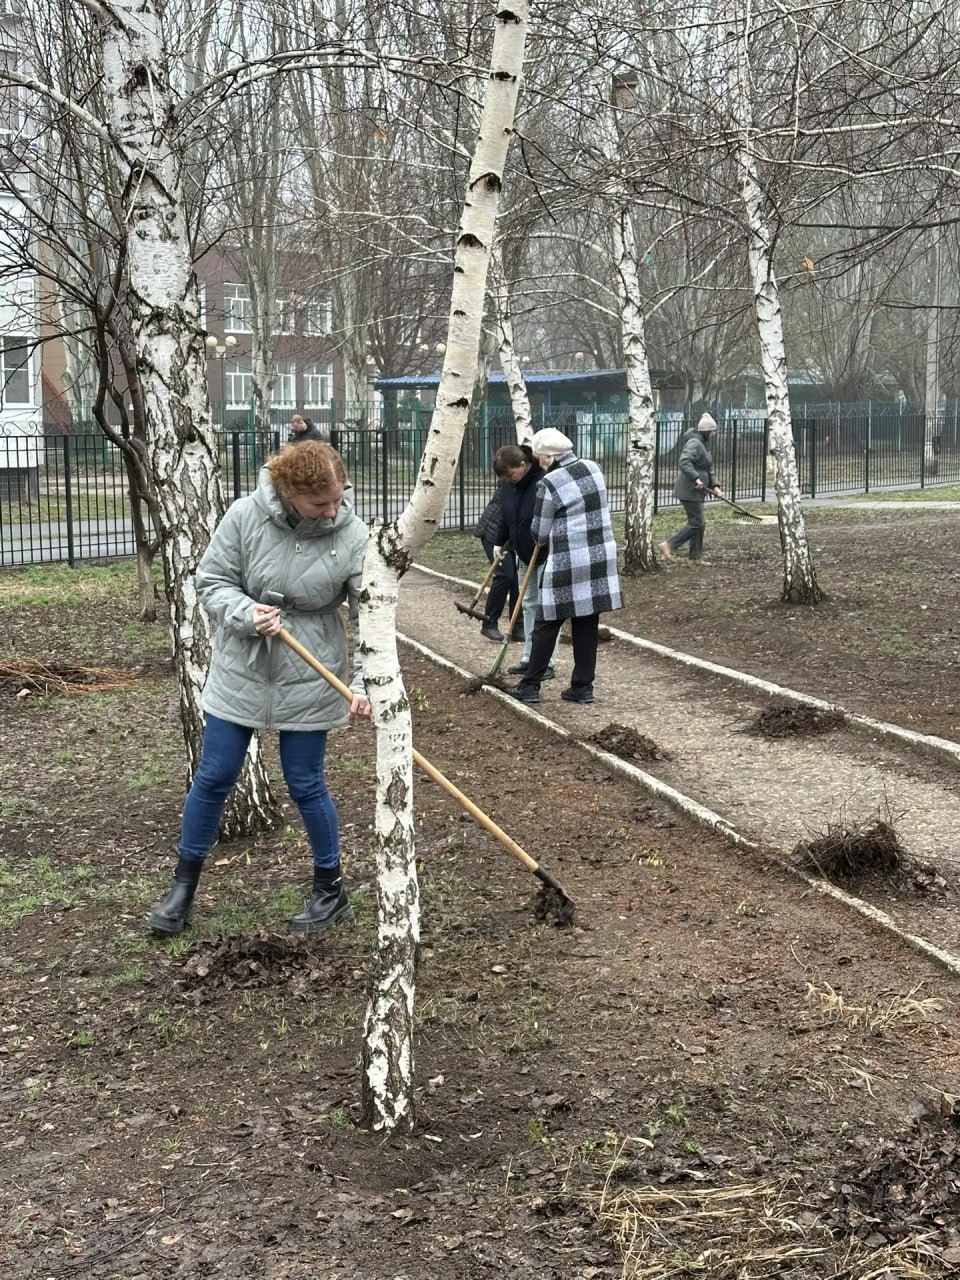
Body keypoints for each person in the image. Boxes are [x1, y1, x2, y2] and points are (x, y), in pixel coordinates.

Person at [147, 441, 371, 938]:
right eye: (320, 504)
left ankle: (330, 890)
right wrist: (245, 613)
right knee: (215, 775)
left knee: (305, 781)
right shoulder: (245, 515)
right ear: (289, 492)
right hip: (242, 667)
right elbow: (211, 581)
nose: (332, 510)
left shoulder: (354, 535)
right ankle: (182, 889)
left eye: (337, 498)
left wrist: (364, 681)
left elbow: (370, 615)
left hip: (310, 672)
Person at [505, 429, 621, 707]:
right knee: (586, 621)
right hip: (600, 556)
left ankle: (530, 685)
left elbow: (541, 531)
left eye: (539, 457)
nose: (538, 461)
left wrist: (538, 534)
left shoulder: (550, 482)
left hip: (568, 559)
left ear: (549, 456)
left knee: (547, 620)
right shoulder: (593, 467)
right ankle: (582, 687)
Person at [491, 443, 559, 681]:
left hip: (544, 553)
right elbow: (505, 514)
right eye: (503, 477)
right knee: (528, 604)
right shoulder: (509, 486)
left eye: (510, 474)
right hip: (522, 553)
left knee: (545, 608)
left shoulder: (543, 481)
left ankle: (546, 662)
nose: (508, 480)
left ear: (523, 465)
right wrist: (500, 542)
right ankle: (530, 658)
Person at [659, 412, 723, 565]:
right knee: (697, 522)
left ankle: (695, 557)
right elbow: (684, 462)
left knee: (699, 523)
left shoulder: (703, 445)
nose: (714, 435)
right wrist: (696, 478)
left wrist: (715, 486)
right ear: (707, 432)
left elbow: (708, 469)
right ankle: (669, 544)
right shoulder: (694, 443)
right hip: (690, 489)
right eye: (713, 432)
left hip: (698, 491)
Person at [473, 487, 520, 643]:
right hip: (493, 532)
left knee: (518, 579)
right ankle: (489, 623)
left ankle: (517, 626)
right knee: (505, 575)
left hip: (513, 536)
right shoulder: (513, 480)